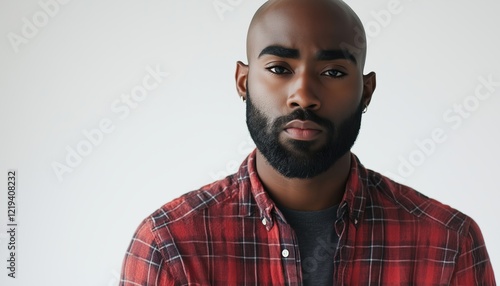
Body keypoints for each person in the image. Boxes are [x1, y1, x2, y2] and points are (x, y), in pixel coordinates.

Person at [120, 0, 496, 285]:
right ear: (243, 82)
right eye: (279, 69)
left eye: (332, 72)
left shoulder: (448, 242)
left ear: (366, 92)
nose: (303, 95)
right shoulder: (170, 245)